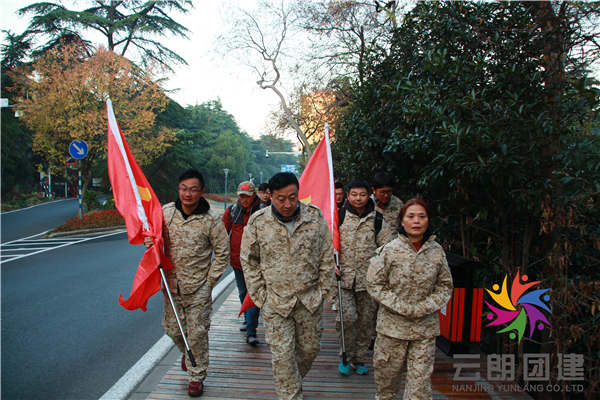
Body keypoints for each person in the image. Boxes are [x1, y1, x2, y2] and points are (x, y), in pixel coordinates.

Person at [240, 172, 335, 400]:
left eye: (293, 197)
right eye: (281, 198)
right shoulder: (258, 222)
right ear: (270, 196)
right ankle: (290, 394)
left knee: (309, 350)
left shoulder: (314, 218)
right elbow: (248, 259)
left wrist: (323, 290)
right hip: (275, 302)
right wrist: (260, 295)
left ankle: (291, 383)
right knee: (282, 357)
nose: (288, 204)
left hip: (309, 300)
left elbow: (326, 255)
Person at [144, 169, 229, 397]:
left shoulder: (211, 219)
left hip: (199, 288)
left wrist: (210, 282)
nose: (187, 194)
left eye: (193, 189)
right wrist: (149, 242)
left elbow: (223, 253)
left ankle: (196, 375)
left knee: (198, 333)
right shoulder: (166, 213)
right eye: (183, 189)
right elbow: (154, 238)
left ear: (201, 191)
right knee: (172, 329)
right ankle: (188, 352)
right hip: (171, 287)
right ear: (178, 189)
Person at [367, 198, 453, 400]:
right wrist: (401, 306)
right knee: (386, 386)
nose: (417, 221)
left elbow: (445, 285)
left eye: (422, 216)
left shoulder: (436, 251)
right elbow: (374, 284)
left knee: (419, 388)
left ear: (428, 221)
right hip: (392, 328)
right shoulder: (389, 250)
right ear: (402, 221)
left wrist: (424, 306)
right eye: (411, 216)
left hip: (424, 329)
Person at [335, 180, 394, 376]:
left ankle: (358, 359)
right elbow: (327, 244)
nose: (358, 198)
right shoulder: (339, 216)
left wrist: (379, 270)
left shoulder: (377, 220)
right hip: (343, 279)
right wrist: (331, 264)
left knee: (366, 322)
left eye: (362, 194)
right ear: (348, 196)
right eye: (353, 194)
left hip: (369, 281)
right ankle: (345, 354)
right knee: (347, 318)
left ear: (369, 195)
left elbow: (387, 248)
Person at [222, 181, 262, 346]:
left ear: (253, 195)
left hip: (256, 262)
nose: (243, 200)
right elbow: (221, 233)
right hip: (237, 260)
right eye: (240, 196)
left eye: (246, 196)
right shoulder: (232, 211)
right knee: (242, 291)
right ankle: (247, 319)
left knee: (253, 294)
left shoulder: (262, 211)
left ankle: (251, 331)